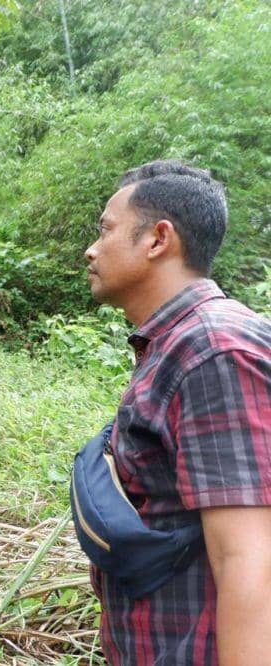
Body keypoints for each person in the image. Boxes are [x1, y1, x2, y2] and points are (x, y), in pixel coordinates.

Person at [83, 159, 271, 664]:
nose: (91, 249)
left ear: (157, 239)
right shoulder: (173, 345)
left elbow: (248, 559)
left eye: (106, 230)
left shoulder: (213, 349)